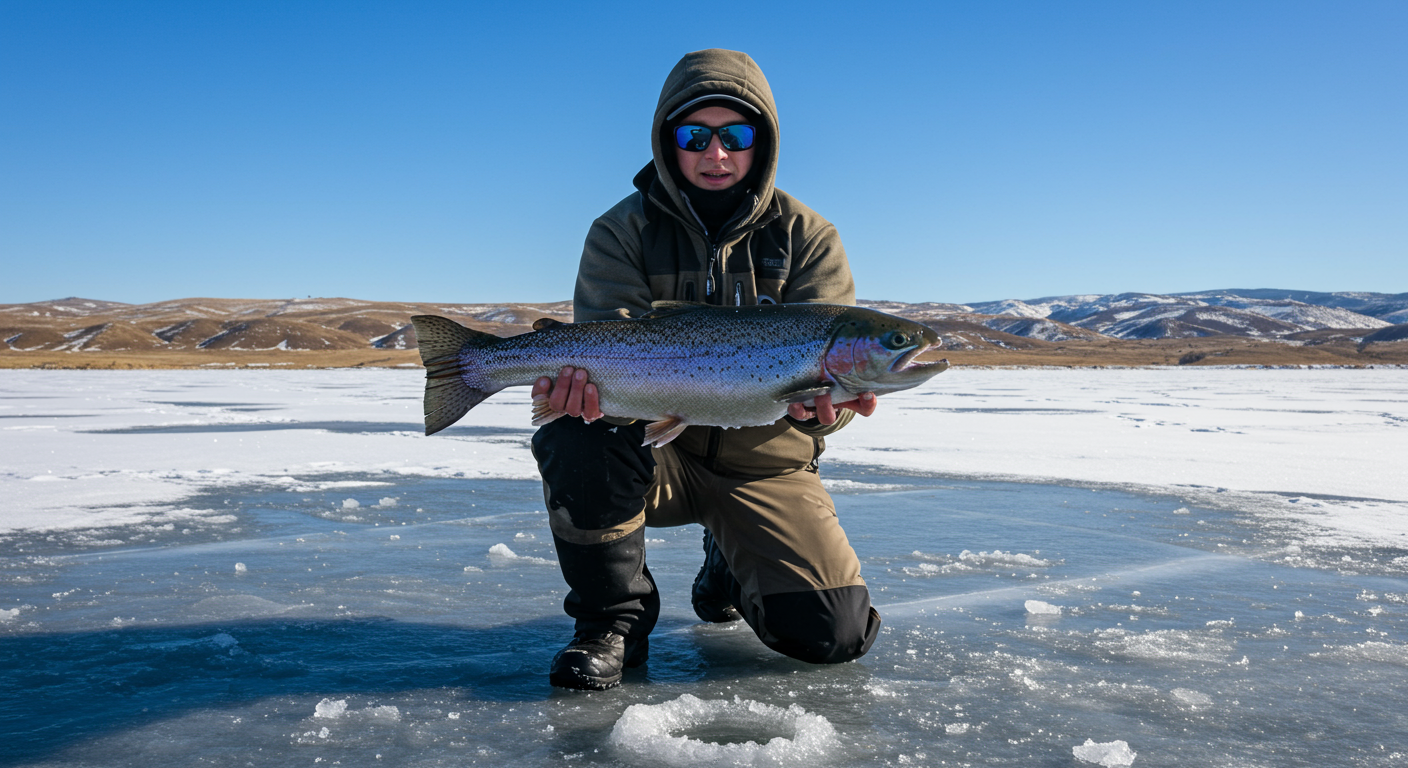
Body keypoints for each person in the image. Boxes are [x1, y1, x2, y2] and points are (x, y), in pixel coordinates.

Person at [530, 49, 881, 691]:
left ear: (762, 144)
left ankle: (728, 561)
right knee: (576, 436)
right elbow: (611, 348)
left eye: (735, 137)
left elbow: (829, 384)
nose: (715, 155)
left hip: (765, 466)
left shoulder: (808, 236)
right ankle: (611, 625)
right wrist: (586, 396)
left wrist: (818, 413)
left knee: (834, 634)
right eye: (695, 136)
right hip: (655, 455)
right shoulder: (621, 231)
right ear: (669, 142)